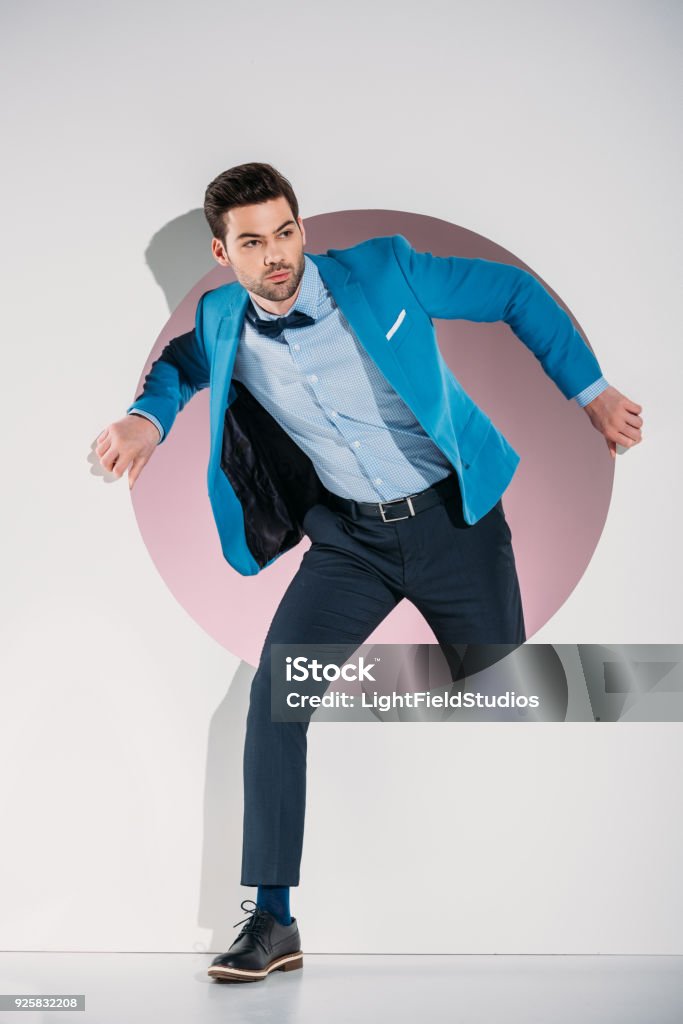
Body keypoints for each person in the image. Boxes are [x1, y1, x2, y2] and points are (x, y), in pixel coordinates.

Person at [95, 162, 643, 983]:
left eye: (284, 232)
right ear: (222, 252)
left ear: (300, 229)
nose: (275, 254)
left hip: (453, 524)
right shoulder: (220, 318)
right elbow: (179, 363)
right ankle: (273, 919)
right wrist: (145, 420)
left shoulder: (383, 270)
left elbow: (514, 295)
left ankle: (597, 888)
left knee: (513, 705)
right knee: (274, 698)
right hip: (350, 541)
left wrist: (590, 392)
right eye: (252, 242)